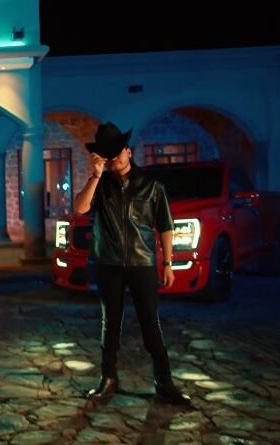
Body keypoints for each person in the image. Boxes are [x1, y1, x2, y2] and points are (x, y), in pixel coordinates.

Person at [74, 122, 190, 405]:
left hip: (142, 262)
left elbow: (165, 225)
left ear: (128, 151)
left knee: (150, 321)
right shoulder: (100, 184)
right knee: (110, 323)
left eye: (117, 152)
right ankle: (108, 378)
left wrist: (168, 263)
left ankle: (164, 383)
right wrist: (95, 175)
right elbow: (80, 208)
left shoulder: (151, 185)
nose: (113, 158)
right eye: (107, 154)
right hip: (108, 263)